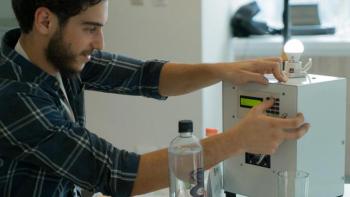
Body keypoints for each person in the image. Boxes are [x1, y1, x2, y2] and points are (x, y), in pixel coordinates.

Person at [0, 0, 310, 196]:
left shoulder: (59, 61)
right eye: (90, 28)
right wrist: (238, 140)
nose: (99, 42)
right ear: (44, 21)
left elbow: (145, 76)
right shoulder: (14, 96)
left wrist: (224, 70)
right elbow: (117, 174)